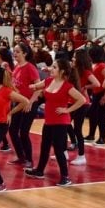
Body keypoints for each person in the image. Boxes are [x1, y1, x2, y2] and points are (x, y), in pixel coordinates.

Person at [25, 58, 86, 186]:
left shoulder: (67, 86)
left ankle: (65, 176)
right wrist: (31, 86)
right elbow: (36, 86)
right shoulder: (48, 81)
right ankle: (40, 171)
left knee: (59, 150)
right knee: (45, 147)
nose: (51, 69)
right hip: (48, 121)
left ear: (62, 71)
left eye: (54, 67)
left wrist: (67, 110)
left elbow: (82, 100)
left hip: (61, 122)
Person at [8, 44, 41, 168]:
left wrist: (31, 102)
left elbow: (38, 87)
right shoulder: (17, 67)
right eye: (14, 52)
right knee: (12, 130)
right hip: (19, 102)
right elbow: (16, 85)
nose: (14, 54)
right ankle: (21, 156)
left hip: (30, 103)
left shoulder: (30, 67)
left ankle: (29, 159)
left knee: (24, 132)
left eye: (17, 52)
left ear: (25, 53)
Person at [69, 49, 99, 166]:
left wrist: (84, 87)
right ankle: (65, 151)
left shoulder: (86, 72)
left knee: (77, 129)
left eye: (75, 57)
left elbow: (97, 84)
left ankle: (81, 156)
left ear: (80, 59)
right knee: (64, 125)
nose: (73, 59)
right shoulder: (73, 70)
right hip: (71, 101)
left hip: (82, 103)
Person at [85, 46, 105, 145]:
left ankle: (102, 138)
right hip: (96, 93)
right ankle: (91, 135)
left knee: (101, 116)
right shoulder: (93, 65)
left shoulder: (102, 66)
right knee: (92, 113)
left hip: (104, 92)